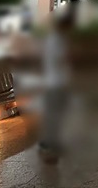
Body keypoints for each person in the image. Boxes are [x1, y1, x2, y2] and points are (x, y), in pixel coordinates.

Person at [38, 9, 74, 162]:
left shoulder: (55, 38)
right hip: (55, 83)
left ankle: (53, 142)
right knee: (54, 115)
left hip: (56, 82)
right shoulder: (57, 40)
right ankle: (48, 144)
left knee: (57, 114)